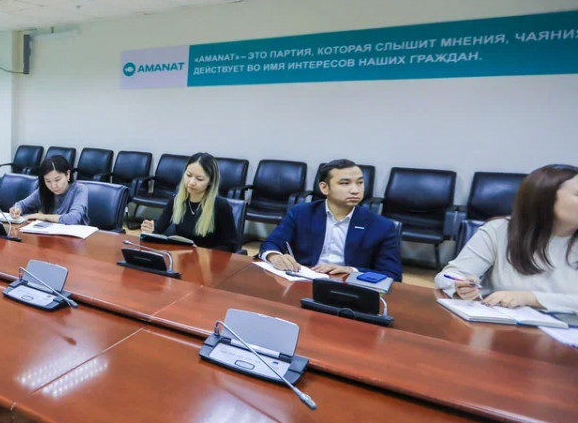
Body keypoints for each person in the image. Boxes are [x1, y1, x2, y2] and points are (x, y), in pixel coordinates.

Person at [435, 164, 578, 312]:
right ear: (545, 198)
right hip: (501, 322)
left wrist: (530, 298)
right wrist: (460, 286)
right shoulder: (500, 230)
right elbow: (447, 276)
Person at [261, 158, 403, 280]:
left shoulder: (381, 226)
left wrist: (351, 270)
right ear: (324, 188)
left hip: (350, 287)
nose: (355, 190)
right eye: (345, 183)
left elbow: (392, 274)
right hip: (303, 280)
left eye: (360, 183)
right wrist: (274, 255)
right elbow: (272, 242)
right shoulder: (301, 213)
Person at [140, 153, 240, 252]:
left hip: (208, 259)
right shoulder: (176, 200)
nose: (191, 182)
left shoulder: (221, 206)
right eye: (188, 175)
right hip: (181, 257)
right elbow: (158, 230)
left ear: (210, 181)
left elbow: (231, 246)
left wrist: (202, 252)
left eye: (199, 179)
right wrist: (150, 230)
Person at [9, 155, 89, 225]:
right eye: (48, 181)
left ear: (68, 174)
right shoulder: (44, 189)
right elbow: (22, 205)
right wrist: (16, 210)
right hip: (49, 234)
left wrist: (42, 216)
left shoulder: (79, 189)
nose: (53, 186)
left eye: (57, 180)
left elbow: (72, 219)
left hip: (75, 236)